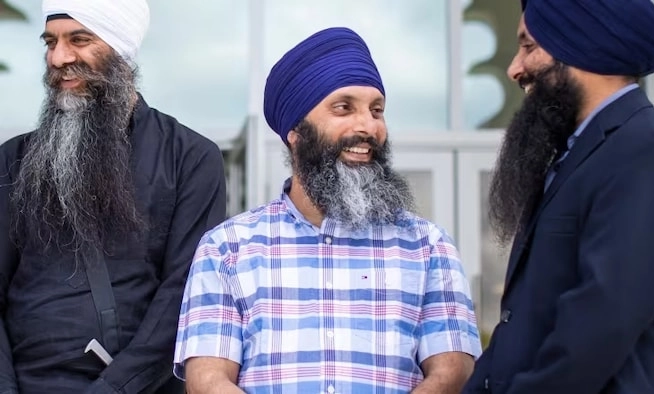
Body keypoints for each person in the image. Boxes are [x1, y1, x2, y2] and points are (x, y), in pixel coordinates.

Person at [174, 26, 482, 393]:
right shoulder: (228, 248)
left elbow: (452, 373)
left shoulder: (428, 246)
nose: (367, 125)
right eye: (343, 108)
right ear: (295, 132)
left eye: (377, 110)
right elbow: (207, 380)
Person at [464, 0, 654, 393]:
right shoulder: (577, 157)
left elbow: (601, 325)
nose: (514, 69)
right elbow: (520, 328)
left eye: (528, 47)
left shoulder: (651, 152)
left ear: (581, 46)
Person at [0, 0, 227, 392]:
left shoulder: (190, 158)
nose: (58, 58)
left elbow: (185, 297)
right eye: (50, 43)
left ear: (120, 48)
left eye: (80, 39)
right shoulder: (12, 160)